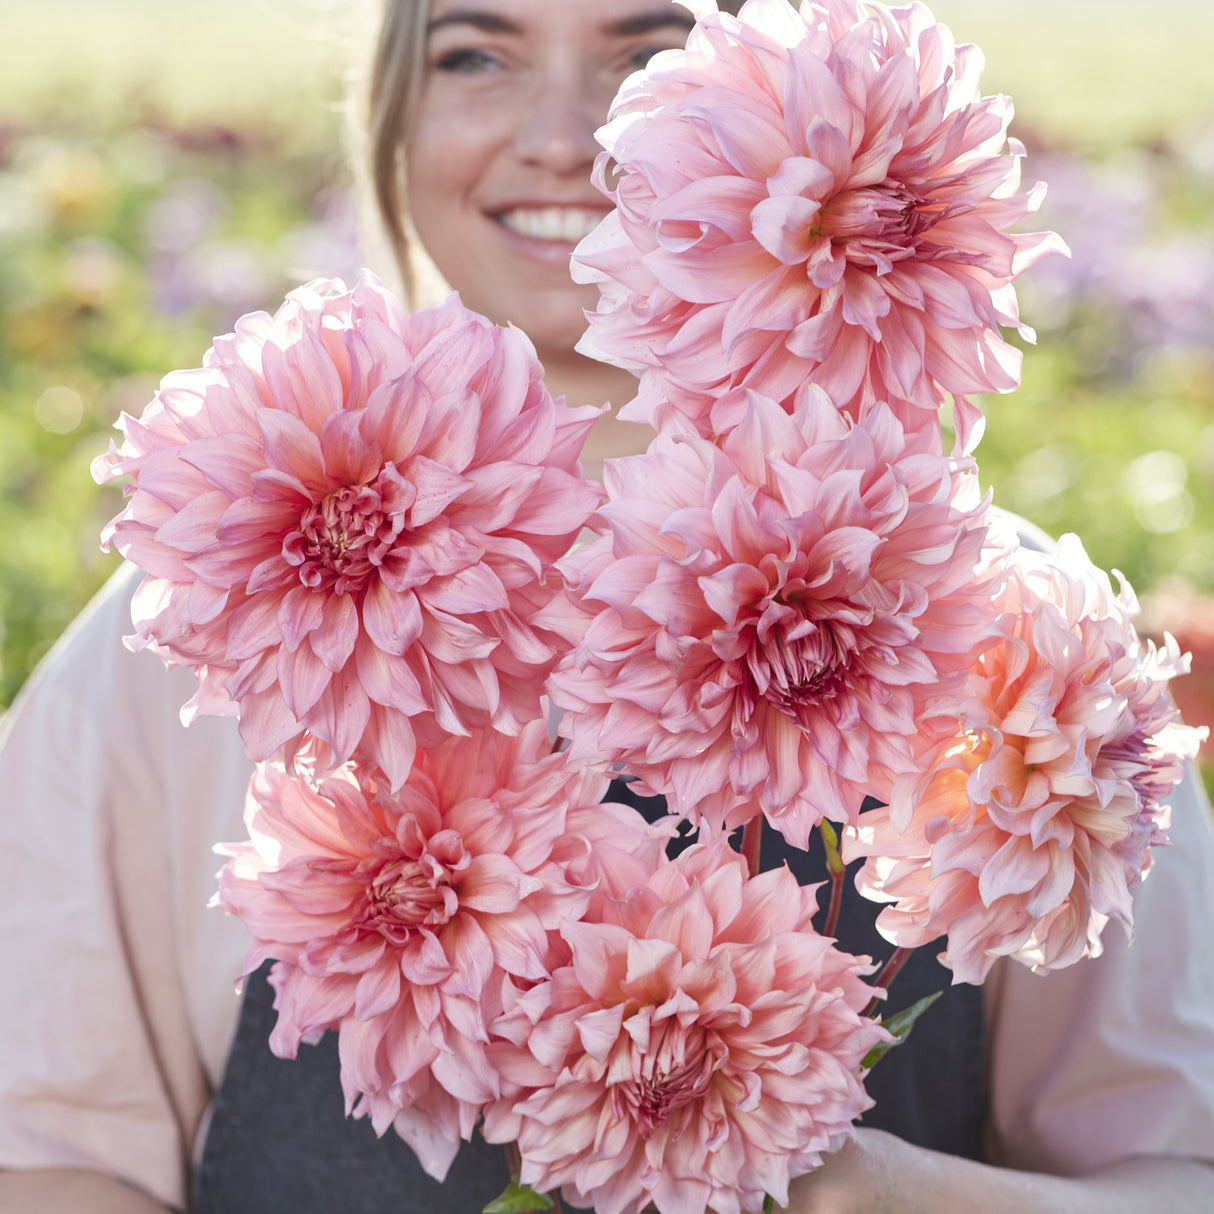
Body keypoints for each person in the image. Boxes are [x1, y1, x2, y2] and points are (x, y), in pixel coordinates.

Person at [1, 1, 1212, 1211]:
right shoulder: (204, 621)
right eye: (475, 54)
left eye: (649, 52)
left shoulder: (1010, 638)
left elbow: (1172, 1174)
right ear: (388, 120)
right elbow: (51, 1159)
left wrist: (877, 1190)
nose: (566, 133)